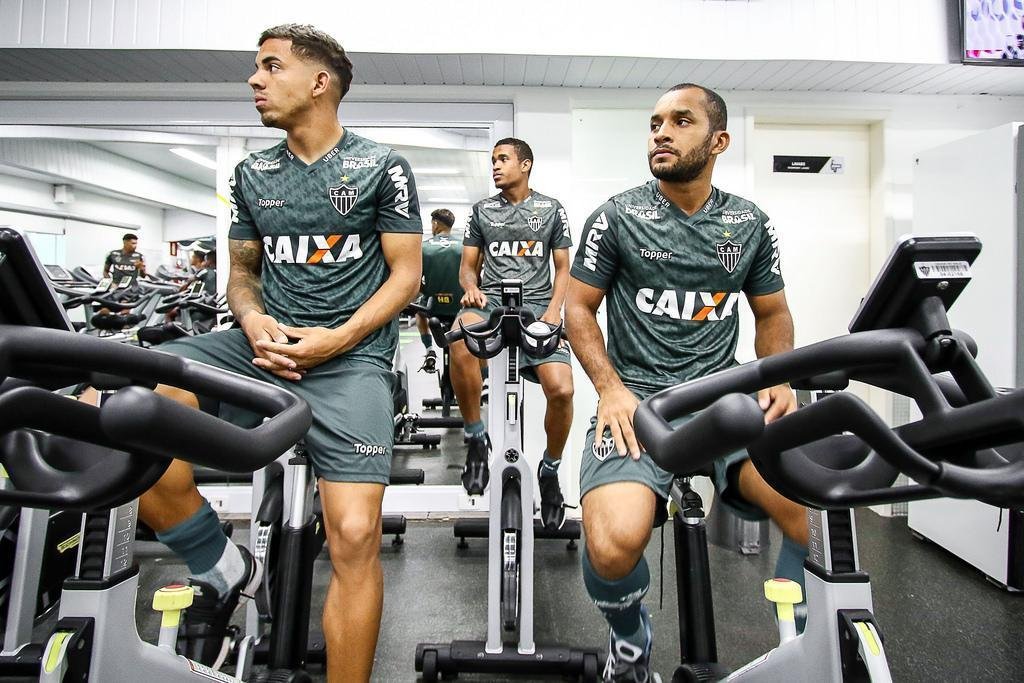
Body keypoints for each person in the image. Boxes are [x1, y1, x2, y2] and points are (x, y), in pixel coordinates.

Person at [134, 24, 421, 682]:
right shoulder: (252, 171)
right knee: (139, 405)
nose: (254, 80)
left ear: (319, 82)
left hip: (349, 360)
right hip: (259, 348)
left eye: (271, 67)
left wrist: (339, 337)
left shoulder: (381, 165)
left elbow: (404, 277)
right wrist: (253, 315)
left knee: (353, 534)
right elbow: (243, 272)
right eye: (256, 68)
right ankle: (219, 560)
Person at [565, 83, 809, 682]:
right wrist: (609, 387)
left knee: (813, 512)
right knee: (612, 543)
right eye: (655, 123)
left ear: (718, 141)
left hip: (723, 403)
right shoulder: (618, 215)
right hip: (638, 402)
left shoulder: (749, 223)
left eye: (680, 121)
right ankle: (629, 640)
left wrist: (778, 378)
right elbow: (577, 309)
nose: (661, 133)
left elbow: (772, 313)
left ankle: (799, 642)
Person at [453, 137, 574, 530]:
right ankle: (475, 436)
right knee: (459, 341)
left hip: (538, 303)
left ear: (526, 164)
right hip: (489, 301)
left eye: (503, 159)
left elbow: (563, 270)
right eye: (492, 160)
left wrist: (555, 313)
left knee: (562, 390)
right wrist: (470, 286)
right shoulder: (482, 211)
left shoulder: (551, 210)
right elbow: (468, 265)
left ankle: (550, 470)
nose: (495, 166)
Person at [417, 208, 464, 373]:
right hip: (459, 307)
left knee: (419, 312)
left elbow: (415, 281)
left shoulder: (423, 247)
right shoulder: (464, 247)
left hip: (433, 308)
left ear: (435, 223)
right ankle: (485, 379)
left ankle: (429, 349)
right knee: (476, 333)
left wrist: (427, 291)